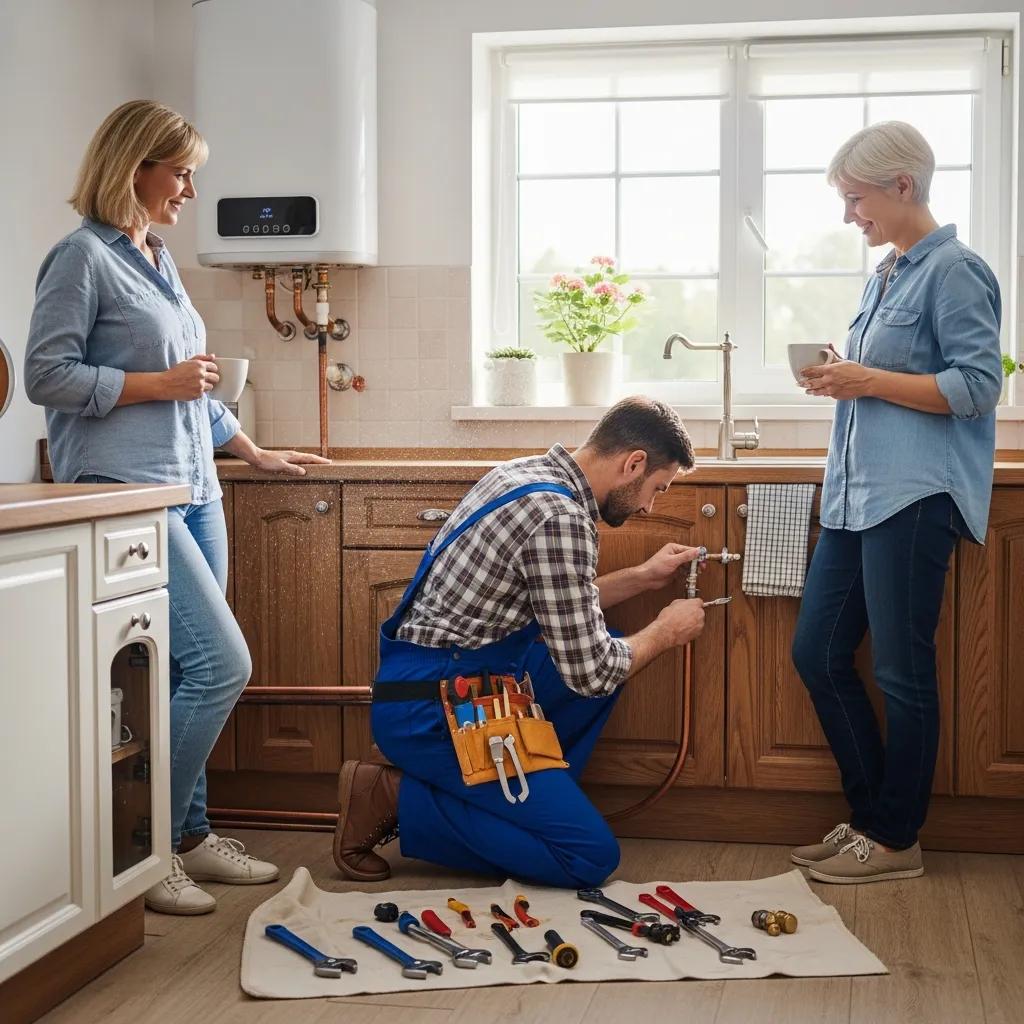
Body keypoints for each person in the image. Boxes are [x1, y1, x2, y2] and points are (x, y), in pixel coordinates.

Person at [24, 99, 329, 914]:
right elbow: (45, 376)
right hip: (124, 492)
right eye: (182, 170)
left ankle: (190, 835)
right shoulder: (80, 258)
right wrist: (155, 385)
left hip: (196, 487)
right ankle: (146, 848)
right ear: (136, 168)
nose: (191, 188)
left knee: (190, 669)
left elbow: (195, 384)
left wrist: (253, 450)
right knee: (225, 665)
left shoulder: (156, 256)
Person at [332, 396, 708, 886]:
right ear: (633, 463)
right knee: (587, 857)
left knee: (606, 642)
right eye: (655, 488)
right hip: (436, 710)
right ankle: (393, 796)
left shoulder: (525, 474)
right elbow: (590, 670)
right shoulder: (561, 519)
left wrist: (638, 577)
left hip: (432, 680)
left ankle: (520, 801)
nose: (648, 505)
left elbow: (557, 605)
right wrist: (666, 631)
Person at [790, 121, 1002, 883]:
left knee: (903, 674)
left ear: (903, 186)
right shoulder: (887, 274)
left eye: (857, 199)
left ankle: (895, 838)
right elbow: (887, 378)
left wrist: (868, 380)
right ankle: (870, 823)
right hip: (857, 496)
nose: (852, 216)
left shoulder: (956, 271)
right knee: (815, 653)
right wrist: (841, 376)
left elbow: (979, 388)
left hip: (916, 497)